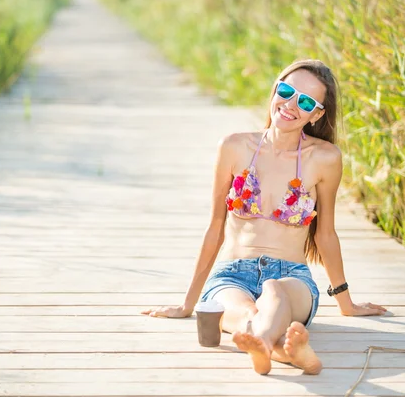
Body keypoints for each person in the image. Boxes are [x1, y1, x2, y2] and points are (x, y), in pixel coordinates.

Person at [141, 59, 387, 375]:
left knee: (275, 291)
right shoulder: (234, 146)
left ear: (318, 114)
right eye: (286, 90)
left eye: (306, 101)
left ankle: (264, 346)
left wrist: (346, 303)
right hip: (231, 274)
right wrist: (187, 304)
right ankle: (284, 349)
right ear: (274, 89)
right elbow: (216, 225)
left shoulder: (325, 158)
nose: (290, 104)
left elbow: (326, 234)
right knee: (242, 310)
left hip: (292, 277)